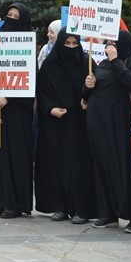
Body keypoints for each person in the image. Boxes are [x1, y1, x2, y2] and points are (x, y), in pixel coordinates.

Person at [84, 29, 131, 233]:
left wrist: (116, 61)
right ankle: (108, 212)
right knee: (104, 168)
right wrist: (87, 86)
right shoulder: (103, 64)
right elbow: (90, 93)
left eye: (114, 43)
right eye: (108, 42)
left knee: (127, 169)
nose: (110, 46)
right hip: (101, 127)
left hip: (122, 127)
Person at [35, 30, 96, 223]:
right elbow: (42, 92)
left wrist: (89, 88)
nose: (70, 47)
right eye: (67, 43)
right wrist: (50, 108)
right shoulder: (50, 65)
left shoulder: (87, 63)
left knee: (79, 165)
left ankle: (81, 208)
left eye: (74, 43)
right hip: (55, 123)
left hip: (79, 123)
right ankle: (59, 206)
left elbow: (97, 91)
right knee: (56, 165)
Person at [0, 3, 35, 219]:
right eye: (8, 15)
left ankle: (15, 202)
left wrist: (9, 96)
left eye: (16, 17)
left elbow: (31, 78)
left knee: (15, 157)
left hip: (16, 112)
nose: (11, 20)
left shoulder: (29, 47)